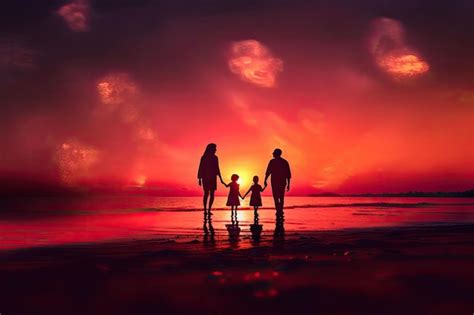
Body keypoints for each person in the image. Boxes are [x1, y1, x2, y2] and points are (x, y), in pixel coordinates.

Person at [197, 143, 225, 232]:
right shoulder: (204, 157)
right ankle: (205, 209)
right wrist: (199, 178)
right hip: (206, 177)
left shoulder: (215, 158)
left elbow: (217, 168)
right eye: (215, 148)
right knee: (206, 193)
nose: (216, 150)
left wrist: (220, 178)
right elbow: (200, 167)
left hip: (213, 177)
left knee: (212, 194)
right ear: (211, 149)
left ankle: (208, 210)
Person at [264, 148, 291, 221]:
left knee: (277, 197)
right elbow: (288, 174)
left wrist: (265, 180)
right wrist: (288, 184)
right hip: (279, 181)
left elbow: (268, 172)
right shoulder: (284, 162)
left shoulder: (274, 162)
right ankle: (279, 210)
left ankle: (278, 210)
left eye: (273, 153)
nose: (272, 154)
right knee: (280, 197)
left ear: (276, 154)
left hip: (277, 181)